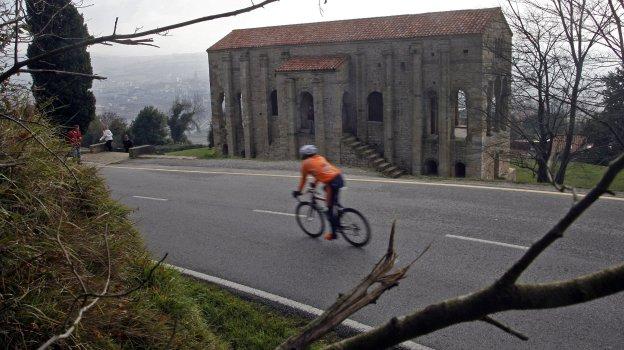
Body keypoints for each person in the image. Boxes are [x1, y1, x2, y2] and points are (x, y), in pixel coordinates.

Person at [292, 145, 345, 241]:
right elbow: (319, 172)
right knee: (328, 192)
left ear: (304, 155)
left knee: (329, 210)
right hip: (339, 177)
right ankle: (339, 208)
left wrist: (298, 192)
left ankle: (333, 234)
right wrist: (314, 184)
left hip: (332, 183)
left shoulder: (305, 164)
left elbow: (303, 180)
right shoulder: (320, 157)